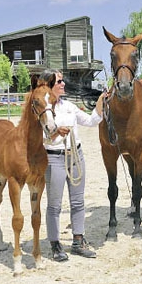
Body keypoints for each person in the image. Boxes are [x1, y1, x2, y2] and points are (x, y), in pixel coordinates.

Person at [41, 68, 103, 262]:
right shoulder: (43, 109)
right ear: (49, 85)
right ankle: (55, 244)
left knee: (78, 201)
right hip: (54, 157)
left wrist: (101, 100)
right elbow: (40, 138)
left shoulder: (70, 106)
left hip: (75, 156)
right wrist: (55, 133)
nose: (63, 84)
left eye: (62, 81)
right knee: (55, 204)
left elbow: (92, 121)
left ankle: (78, 240)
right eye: (59, 81)